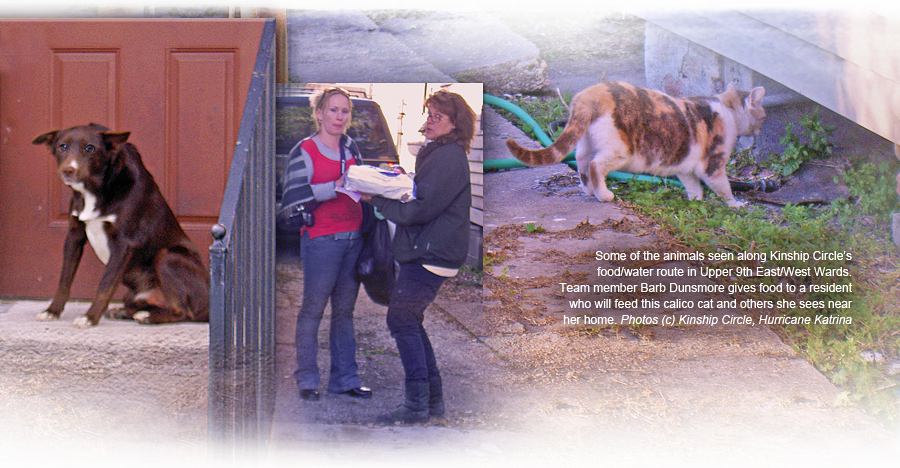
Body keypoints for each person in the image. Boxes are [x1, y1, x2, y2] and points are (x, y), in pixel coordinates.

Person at [362, 90, 476, 423]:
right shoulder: (440, 154)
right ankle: (433, 403)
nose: (428, 122)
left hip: (431, 253)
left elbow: (420, 209)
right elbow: (423, 193)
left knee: (401, 319)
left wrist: (376, 199)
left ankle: (416, 408)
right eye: (428, 115)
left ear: (455, 125)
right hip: (428, 251)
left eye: (436, 117)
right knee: (409, 320)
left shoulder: (448, 157)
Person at [289, 87, 372, 401]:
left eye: (345, 111)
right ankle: (307, 381)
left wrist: (380, 186)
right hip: (321, 241)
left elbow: (361, 188)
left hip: (354, 239)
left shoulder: (350, 148)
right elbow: (296, 196)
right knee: (312, 311)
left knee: (344, 313)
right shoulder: (305, 150)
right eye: (333, 110)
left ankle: (345, 380)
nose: (339, 117)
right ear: (320, 113)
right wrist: (333, 186)